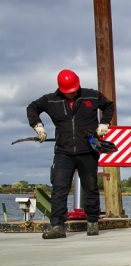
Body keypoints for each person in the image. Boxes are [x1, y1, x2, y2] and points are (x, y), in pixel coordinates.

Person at [26, 69, 115, 239]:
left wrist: (104, 123)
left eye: (74, 91)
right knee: (59, 188)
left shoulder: (91, 96)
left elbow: (109, 105)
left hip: (87, 150)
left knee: (90, 186)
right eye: (68, 92)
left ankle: (93, 222)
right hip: (63, 152)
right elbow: (32, 107)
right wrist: (37, 125)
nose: (71, 94)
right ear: (60, 89)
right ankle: (57, 226)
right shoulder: (50, 100)